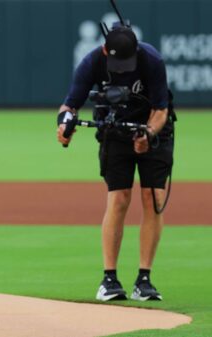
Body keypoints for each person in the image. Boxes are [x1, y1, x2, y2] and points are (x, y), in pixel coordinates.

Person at [57, 22, 174, 302]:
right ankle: (109, 278)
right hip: (115, 133)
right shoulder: (92, 62)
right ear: (104, 51)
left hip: (154, 130)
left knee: (153, 198)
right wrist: (64, 125)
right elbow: (69, 105)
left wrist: (148, 133)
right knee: (119, 198)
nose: (123, 66)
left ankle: (143, 279)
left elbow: (161, 109)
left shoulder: (152, 60)